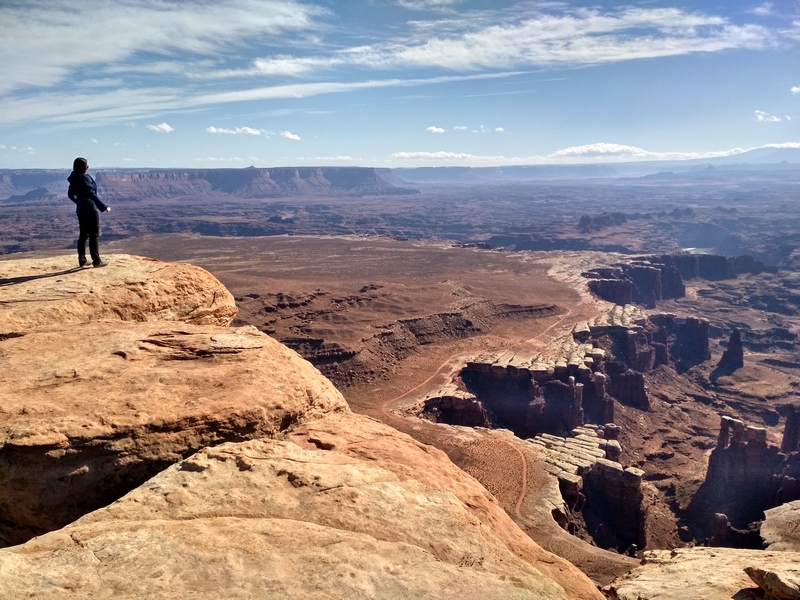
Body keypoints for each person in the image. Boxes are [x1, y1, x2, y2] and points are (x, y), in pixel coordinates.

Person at [67, 157, 111, 267]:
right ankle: (96, 261)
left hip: (81, 210)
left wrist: (78, 202)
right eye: (86, 166)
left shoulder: (73, 178)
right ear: (85, 168)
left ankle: (82, 260)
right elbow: (92, 194)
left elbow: (70, 195)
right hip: (90, 210)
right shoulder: (84, 178)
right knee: (93, 235)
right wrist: (104, 207)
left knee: (83, 235)